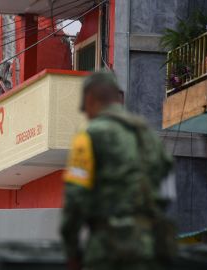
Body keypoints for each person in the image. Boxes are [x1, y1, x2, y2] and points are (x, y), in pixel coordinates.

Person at [61, 71, 176, 270]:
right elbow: (167, 192)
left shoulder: (89, 136)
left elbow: (75, 199)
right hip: (151, 249)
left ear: (89, 99)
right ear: (117, 98)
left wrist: (71, 251)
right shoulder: (149, 136)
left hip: (108, 251)